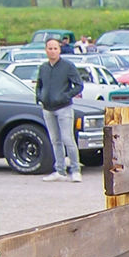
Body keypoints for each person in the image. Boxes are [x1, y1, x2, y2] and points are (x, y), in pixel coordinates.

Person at [36, 37, 84, 182]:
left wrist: (65, 96)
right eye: (50, 48)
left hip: (64, 108)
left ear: (60, 50)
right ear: (46, 50)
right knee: (55, 140)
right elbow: (39, 85)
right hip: (48, 108)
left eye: (55, 48)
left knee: (67, 139)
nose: (52, 51)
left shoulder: (68, 66)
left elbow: (78, 85)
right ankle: (59, 170)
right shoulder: (43, 67)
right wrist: (39, 97)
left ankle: (75, 170)